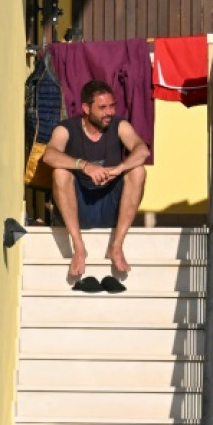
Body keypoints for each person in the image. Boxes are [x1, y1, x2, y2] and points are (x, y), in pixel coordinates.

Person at [41, 79, 150, 280]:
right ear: (85, 108)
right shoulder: (66, 129)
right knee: (60, 172)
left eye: (111, 106)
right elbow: (49, 155)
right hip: (78, 207)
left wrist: (120, 168)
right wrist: (84, 165)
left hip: (111, 206)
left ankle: (116, 247)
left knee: (138, 171)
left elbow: (142, 149)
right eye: (102, 107)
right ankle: (79, 247)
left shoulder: (119, 125)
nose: (109, 112)